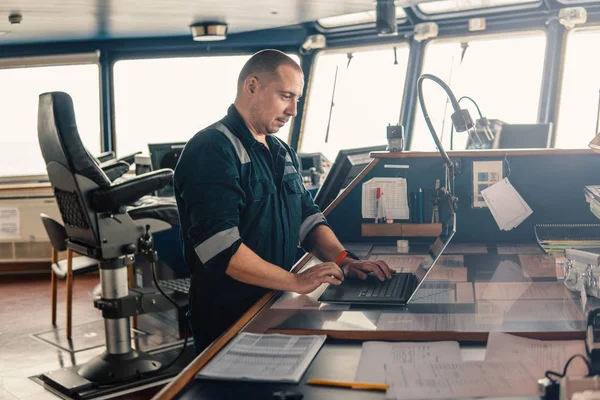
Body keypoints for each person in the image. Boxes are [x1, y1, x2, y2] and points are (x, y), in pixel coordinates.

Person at [174, 49, 393, 353]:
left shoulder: (281, 152)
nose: (292, 110)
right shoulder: (212, 149)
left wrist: (344, 260)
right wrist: (296, 281)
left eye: (297, 100)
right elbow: (222, 249)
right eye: (285, 96)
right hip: (229, 317)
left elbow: (307, 218)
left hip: (275, 302)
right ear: (252, 86)